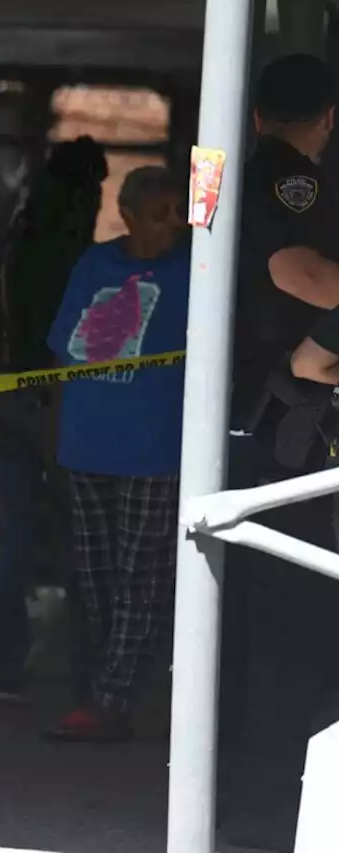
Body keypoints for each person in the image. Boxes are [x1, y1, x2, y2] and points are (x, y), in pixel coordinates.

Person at [220, 52, 339, 852]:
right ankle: (264, 816)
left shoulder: (272, 171)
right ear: (325, 118)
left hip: (283, 435)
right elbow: (299, 276)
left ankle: (265, 809)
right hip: (287, 441)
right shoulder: (286, 178)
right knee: (286, 632)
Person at [0, 137, 106, 702]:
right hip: (51, 401)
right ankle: (92, 669)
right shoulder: (69, 249)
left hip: (3, 396)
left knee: (18, 531)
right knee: (81, 532)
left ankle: (6, 659)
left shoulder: (14, 238)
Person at [38, 165, 189, 743]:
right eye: (160, 214)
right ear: (126, 215)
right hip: (86, 445)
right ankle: (107, 688)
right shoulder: (94, 264)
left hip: (156, 450)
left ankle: (110, 700)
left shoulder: (196, 270)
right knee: (96, 578)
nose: (175, 225)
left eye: (180, 212)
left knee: (141, 579)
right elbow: (61, 357)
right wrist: (57, 440)